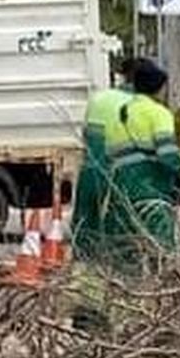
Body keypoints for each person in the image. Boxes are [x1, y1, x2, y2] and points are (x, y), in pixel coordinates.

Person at [105, 60, 180, 262]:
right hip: (151, 188)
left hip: (121, 189)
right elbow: (167, 153)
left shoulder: (118, 115)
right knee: (160, 251)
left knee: (125, 251)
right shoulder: (159, 113)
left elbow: (109, 153)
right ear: (159, 88)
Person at [71, 57, 138, 262]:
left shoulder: (98, 99)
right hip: (119, 175)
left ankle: (82, 265)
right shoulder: (138, 104)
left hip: (90, 172)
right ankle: (118, 268)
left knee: (84, 223)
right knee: (120, 227)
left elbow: (85, 134)